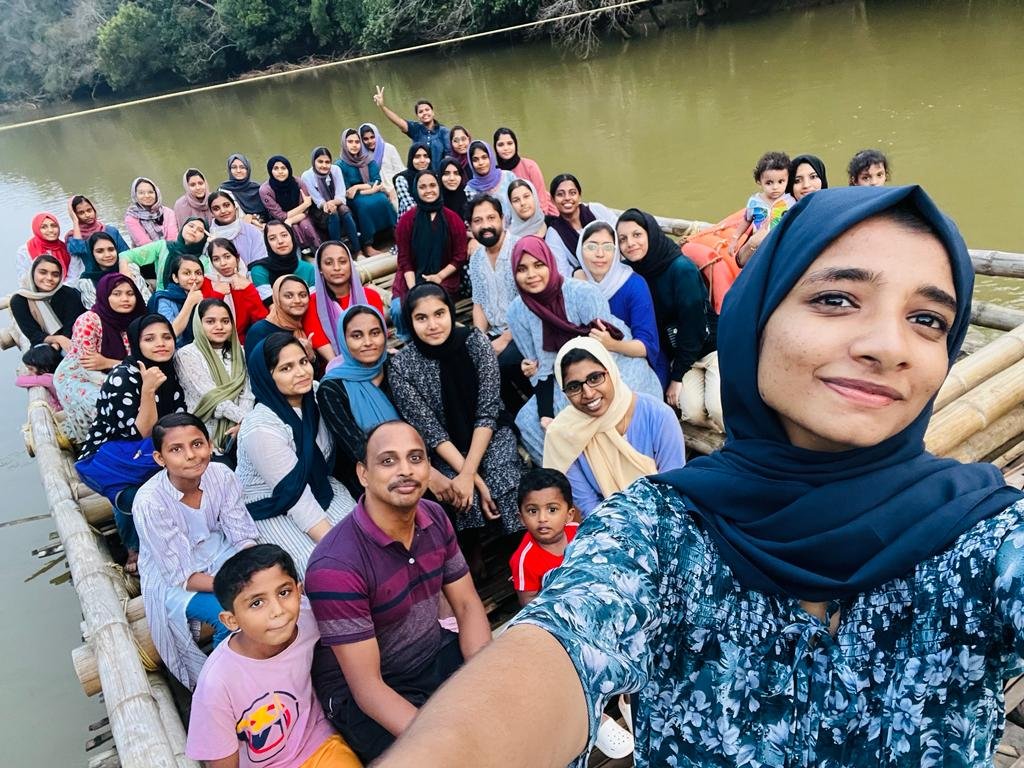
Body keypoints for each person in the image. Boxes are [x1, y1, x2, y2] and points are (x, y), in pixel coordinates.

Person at [377, 185, 1024, 768]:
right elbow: (556, 647)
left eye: (928, 320)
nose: (888, 345)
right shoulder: (659, 532)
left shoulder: (982, 536)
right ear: (756, 318)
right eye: (836, 299)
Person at [306, 419, 491, 763]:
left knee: (512, 707)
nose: (405, 470)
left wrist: (485, 680)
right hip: (368, 694)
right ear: (363, 474)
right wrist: (443, 744)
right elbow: (368, 689)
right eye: (388, 461)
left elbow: (467, 605)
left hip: (431, 654)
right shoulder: (335, 566)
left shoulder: (434, 517)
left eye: (415, 458)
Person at [188, 544, 362, 768]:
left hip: (320, 747)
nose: (278, 610)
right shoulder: (217, 683)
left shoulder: (310, 618)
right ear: (231, 620)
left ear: (299, 592)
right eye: (257, 603)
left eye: (284, 593)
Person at [508, 235, 662, 463]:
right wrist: (545, 414)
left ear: (550, 263)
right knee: (527, 420)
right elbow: (541, 369)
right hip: (562, 377)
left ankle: (631, 463)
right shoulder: (517, 312)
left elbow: (605, 350)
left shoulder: (581, 293)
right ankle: (571, 475)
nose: (531, 274)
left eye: (538, 265)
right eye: (522, 269)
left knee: (604, 406)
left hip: (613, 364)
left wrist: (584, 387)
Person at [134, 414, 258, 689]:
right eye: (176, 449)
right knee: (230, 616)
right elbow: (182, 576)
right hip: (174, 578)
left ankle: (264, 665)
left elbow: (241, 535)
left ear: (210, 444)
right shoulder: (150, 502)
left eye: (197, 444)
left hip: (220, 552)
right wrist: (235, 585)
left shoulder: (221, 475)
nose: (190, 455)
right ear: (160, 458)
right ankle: (223, 687)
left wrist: (254, 569)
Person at [389, 283, 524, 533]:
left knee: (504, 480)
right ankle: (474, 553)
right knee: (461, 497)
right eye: (421, 318)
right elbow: (432, 432)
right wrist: (474, 481)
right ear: (410, 321)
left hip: (490, 434)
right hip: (446, 449)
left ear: (450, 313)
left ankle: (521, 546)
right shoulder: (402, 367)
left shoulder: (476, 343)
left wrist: (469, 473)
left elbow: (488, 412)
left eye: (439, 314)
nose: (432, 325)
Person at [236, 333, 353, 573]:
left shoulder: (317, 394)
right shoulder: (261, 427)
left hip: (320, 486)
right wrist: (336, 548)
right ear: (266, 377)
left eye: (303, 362)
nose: (301, 372)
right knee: (322, 563)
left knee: (365, 537)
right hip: (270, 504)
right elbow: (294, 495)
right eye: (286, 368)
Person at [75, 314, 186, 567]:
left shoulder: (170, 370)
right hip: (111, 454)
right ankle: (134, 547)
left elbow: (177, 417)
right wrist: (148, 390)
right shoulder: (123, 376)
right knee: (133, 493)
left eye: (166, 337)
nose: (161, 343)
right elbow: (140, 432)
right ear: (137, 343)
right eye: (150, 339)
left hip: (151, 448)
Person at [544, 337, 684, 517]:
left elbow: (673, 488)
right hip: (608, 524)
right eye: (573, 387)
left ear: (611, 370)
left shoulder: (658, 415)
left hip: (666, 515)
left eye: (595, 378)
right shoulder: (565, 435)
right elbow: (589, 506)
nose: (588, 393)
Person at [617, 208, 717, 408]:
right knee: (691, 411)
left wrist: (676, 377)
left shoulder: (681, 269)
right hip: (678, 354)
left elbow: (693, 326)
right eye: (622, 239)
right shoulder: (630, 272)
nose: (630, 243)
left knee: (716, 408)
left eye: (637, 235)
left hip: (708, 347)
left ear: (651, 233)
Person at [317, 306, 400, 498]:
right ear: (343, 340)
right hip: (369, 477)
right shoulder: (332, 388)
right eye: (357, 336)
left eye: (375, 333)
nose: (368, 342)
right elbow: (357, 447)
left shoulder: (397, 367)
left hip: (420, 460)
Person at [54, 274, 146, 443]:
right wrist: (123, 383)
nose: (125, 299)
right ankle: (107, 444)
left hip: (124, 374)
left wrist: (108, 363)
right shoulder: (88, 321)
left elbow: (145, 360)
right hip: (80, 376)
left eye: (130, 293)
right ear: (104, 295)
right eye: (117, 294)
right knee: (108, 402)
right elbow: (89, 365)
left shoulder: (139, 321)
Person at [577, 221, 667, 386]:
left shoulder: (634, 285)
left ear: (617, 251)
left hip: (636, 364)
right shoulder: (576, 286)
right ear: (579, 250)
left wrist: (613, 344)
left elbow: (647, 346)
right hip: (590, 368)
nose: (600, 254)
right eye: (591, 247)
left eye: (608, 247)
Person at [466, 195, 530, 411]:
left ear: (502, 219)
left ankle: (532, 410)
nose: (485, 225)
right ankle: (515, 416)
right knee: (471, 363)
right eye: (478, 221)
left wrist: (504, 339)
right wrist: (481, 338)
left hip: (524, 330)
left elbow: (531, 303)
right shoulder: (476, 258)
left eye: (491, 218)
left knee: (494, 367)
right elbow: (478, 302)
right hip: (494, 333)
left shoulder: (520, 250)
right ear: (470, 226)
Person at [175, 299, 254, 453]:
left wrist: (243, 426)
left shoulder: (240, 352)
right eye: (210, 321)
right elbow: (212, 397)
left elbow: (247, 394)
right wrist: (247, 420)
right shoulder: (186, 355)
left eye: (225, 321)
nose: (219, 327)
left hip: (242, 432)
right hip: (203, 436)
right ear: (198, 324)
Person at [393, 170, 467, 315]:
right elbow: (404, 260)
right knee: (398, 310)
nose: (428, 191)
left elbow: (460, 256)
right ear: (415, 190)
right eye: (422, 187)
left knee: (433, 305)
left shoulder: (453, 219)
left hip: (444, 278)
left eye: (432, 185)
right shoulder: (406, 221)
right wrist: (414, 289)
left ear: (439, 187)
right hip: (411, 277)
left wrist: (439, 276)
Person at [305, 241, 385, 364]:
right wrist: (341, 367)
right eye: (329, 263)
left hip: (372, 360)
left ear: (350, 265)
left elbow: (378, 334)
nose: (337, 268)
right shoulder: (311, 302)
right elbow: (320, 341)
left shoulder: (371, 296)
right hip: (335, 366)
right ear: (320, 268)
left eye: (342, 262)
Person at [337, 128, 397, 256]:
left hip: (370, 191)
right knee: (364, 206)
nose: (354, 145)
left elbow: (376, 180)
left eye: (357, 142)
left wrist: (358, 187)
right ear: (344, 144)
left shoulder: (368, 159)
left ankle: (396, 233)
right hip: (355, 198)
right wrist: (370, 189)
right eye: (350, 142)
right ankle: (367, 245)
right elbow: (348, 191)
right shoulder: (340, 165)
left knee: (383, 200)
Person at [544, 173, 617, 276]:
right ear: (552, 200)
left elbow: (619, 233)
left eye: (572, 193)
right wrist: (579, 274)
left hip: (616, 267)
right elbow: (562, 271)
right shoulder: (554, 233)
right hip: (586, 279)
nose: (567, 198)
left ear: (579, 195)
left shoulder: (596, 210)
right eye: (560, 194)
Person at [10, 255, 84, 351]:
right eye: (43, 272)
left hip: (71, 342)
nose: (49, 278)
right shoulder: (19, 300)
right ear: (32, 272)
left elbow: (71, 326)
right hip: (41, 345)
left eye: (55, 274)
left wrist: (57, 345)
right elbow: (34, 335)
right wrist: (57, 339)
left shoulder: (69, 294)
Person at [118, 214, 210, 291]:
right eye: (191, 226)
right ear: (183, 227)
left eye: (200, 230)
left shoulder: (204, 260)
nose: (194, 230)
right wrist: (125, 272)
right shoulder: (163, 246)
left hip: (192, 299)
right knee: (131, 267)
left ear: (204, 238)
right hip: (162, 296)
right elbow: (126, 255)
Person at [302, 146, 363, 256]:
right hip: (319, 209)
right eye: (320, 161)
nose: (324, 165)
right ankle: (338, 252)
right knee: (333, 214)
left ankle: (358, 250)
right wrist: (327, 205)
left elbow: (341, 194)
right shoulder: (307, 176)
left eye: (327, 162)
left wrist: (332, 203)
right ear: (313, 161)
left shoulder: (336, 170)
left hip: (337, 202)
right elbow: (317, 200)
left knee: (345, 211)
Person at [206, 238, 268, 343]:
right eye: (216, 259)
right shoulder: (207, 283)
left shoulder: (246, 281)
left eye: (227, 257)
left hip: (241, 343)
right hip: (211, 343)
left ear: (237, 258)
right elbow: (204, 320)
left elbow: (261, 321)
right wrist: (216, 295)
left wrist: (249, 289)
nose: (223, 263)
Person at [372, 86, 451, 169]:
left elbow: (448, 154)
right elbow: (398, 121)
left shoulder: (443, 131)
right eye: (421, 112)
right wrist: (382, 107)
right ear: (418, 116)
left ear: (433, 112)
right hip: (419, 173)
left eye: (427, 110)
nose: (424, 113)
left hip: (438, 173)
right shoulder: (416, 129)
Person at [244, 275, 318, 360]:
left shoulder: (309, 324)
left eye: (303, 295)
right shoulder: (260, 331)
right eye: (289, 296)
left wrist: (312, 357)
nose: (297, 300)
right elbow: (256, 366)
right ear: (277, 298)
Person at [76, 231, 151, 308]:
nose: (107, 255)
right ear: (92, 254)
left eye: (111, 249)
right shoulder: (87, 282)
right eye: (100, 251)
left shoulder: (130, 269)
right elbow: (94, 310)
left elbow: (146, 301)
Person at [259, 155, 320, 250]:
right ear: (270, 170)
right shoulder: (265, 190)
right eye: (276, 168)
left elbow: (306, 210)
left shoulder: (298, 182)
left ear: (289, 169)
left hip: (303, 216)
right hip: (279, 221)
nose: (280, 172)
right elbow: (281, 216)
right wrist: (305, 205)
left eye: (283, 168)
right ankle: (297, 253)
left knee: (306, 225)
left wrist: (291, 219)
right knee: (292, 228)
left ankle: (318, 249)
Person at [493, 127, 556, 216]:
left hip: (542, 213)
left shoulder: (529, 166)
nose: (506, 148)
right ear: (495, 148)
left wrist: (540, 217)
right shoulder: (495, 173)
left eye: (510, 143)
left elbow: (541, 197)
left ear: (515, 144)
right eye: (501, 145)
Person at [148, 253, 207, 347]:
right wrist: (189, 303)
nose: (194, 277)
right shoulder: (163, 299)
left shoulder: (202, 297)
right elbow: (171, 334)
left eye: (198, 273)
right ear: (175, 278)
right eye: (187, 273)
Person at [249, 220, 317, 302]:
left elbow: (312, 302)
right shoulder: (260, 270)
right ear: (267, 243)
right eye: (272, 238)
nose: (280, 241)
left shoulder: (309, 269)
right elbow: (271, 306)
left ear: (292, 237)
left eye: (284, 235)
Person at [741, 151, 796, 240]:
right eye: (769, 183)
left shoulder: (791, 201)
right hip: (758, 243)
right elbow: (747, 220)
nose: (775, 187)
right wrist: (735, 238)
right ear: (759, 182)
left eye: (780, 182)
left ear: (788, 180)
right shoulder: (754, 202)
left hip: (780, 242)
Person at [207, 190, 269, 265]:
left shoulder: (252, 231)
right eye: (216, 209)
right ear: (212, 213)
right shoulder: (210, 237)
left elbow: (261, 261)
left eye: (226, 205)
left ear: (234, 207)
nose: (223, 211)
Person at [16, 211, 78, 284]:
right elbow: (24, 279)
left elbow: (74, 275)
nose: (50, 230)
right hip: (37, 289)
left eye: (53, 226)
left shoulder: (67, 247)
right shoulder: (25, 251)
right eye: (44, 227)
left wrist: (61, 289)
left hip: (65, 288)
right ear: (36, 229)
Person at [65, 195, 130, 260]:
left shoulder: (111, 231)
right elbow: (78, 250)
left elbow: (126, 254)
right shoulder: (72, 238)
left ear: (94, 209)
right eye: (81, 213)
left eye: (89, 210)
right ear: (75, 215)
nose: (87, 215)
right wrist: (75, 221)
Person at [464, 140, 516, 218]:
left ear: (491, 158)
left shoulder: (508, 177)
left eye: (484, 157)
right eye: (475, 160)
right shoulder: (471, 189)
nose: (481, 163)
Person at [124, 176, 178, 247]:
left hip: (172, 249)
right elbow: (145, 244)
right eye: (141, 193)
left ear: (156, 193)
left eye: (150, 192)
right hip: (146, 252)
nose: (147, 196)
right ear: (135, 195)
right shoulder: (131, 218)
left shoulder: (168, 212)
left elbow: (173, 238)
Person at [359, 121, 404, 203]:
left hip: (394, 187)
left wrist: (393, 191)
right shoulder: (361, 156)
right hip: (375, 189)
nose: (370, 141)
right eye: (366, 139)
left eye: (372, 137)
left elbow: (400, 171)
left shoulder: (389, 148)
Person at [220, 153, 269, 222]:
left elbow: (267, 214)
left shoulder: (257, 188)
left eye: (242, 167)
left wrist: (252, 217)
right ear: (229, 170)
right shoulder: (224, 191)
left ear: (248, 169)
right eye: (234, 167)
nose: (238, 171)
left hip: (261, 225)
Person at [16, 344, 63, 410]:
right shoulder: (60, 373)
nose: (29, 372)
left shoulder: (48, 379)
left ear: (45, 369)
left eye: (31, 369)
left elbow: (19, 381)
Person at [393, 142, 432, 216]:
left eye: (426, 156)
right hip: (410, 218)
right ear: (411, 159)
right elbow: (410, 206)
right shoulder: (401, 179)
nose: (422, 160)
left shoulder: (434, 176)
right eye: (417, 156)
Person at [438, 156, 469, 220]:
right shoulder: (433, 202)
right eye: (446, 173)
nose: (452, 178)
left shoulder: (469, 198)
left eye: (456, 173)